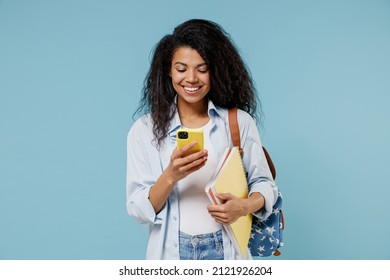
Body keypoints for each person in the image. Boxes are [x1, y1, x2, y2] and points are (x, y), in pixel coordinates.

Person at [126, 19, 278, 260]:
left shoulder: (239, 122)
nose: (192, 79)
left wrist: (245, 206)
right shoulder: (144, 130)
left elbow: (265, 184)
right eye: (181, 68)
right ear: (169, 70)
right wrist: (171, 176)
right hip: (171, 255)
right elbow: (137, 210)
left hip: (228, 253)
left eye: (202, 69)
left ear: (214, 70)